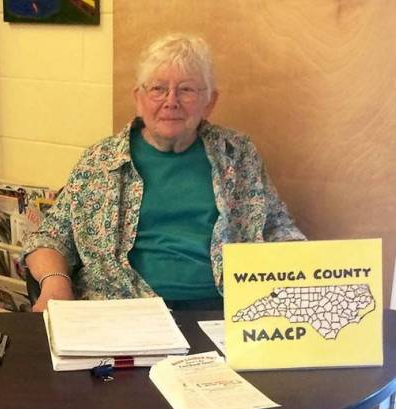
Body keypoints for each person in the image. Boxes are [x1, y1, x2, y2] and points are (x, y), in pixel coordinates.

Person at [22, 34, 305, 312]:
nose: (171, 101)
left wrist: (313, 272)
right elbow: (51, 236)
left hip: (222, 308)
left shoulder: (237, 154)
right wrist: (55, 283)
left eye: (186, 90)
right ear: (139, 98)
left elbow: (276, 227)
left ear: (210, 101)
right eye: (158, 89)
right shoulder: (101, 160)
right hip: (121, 308)